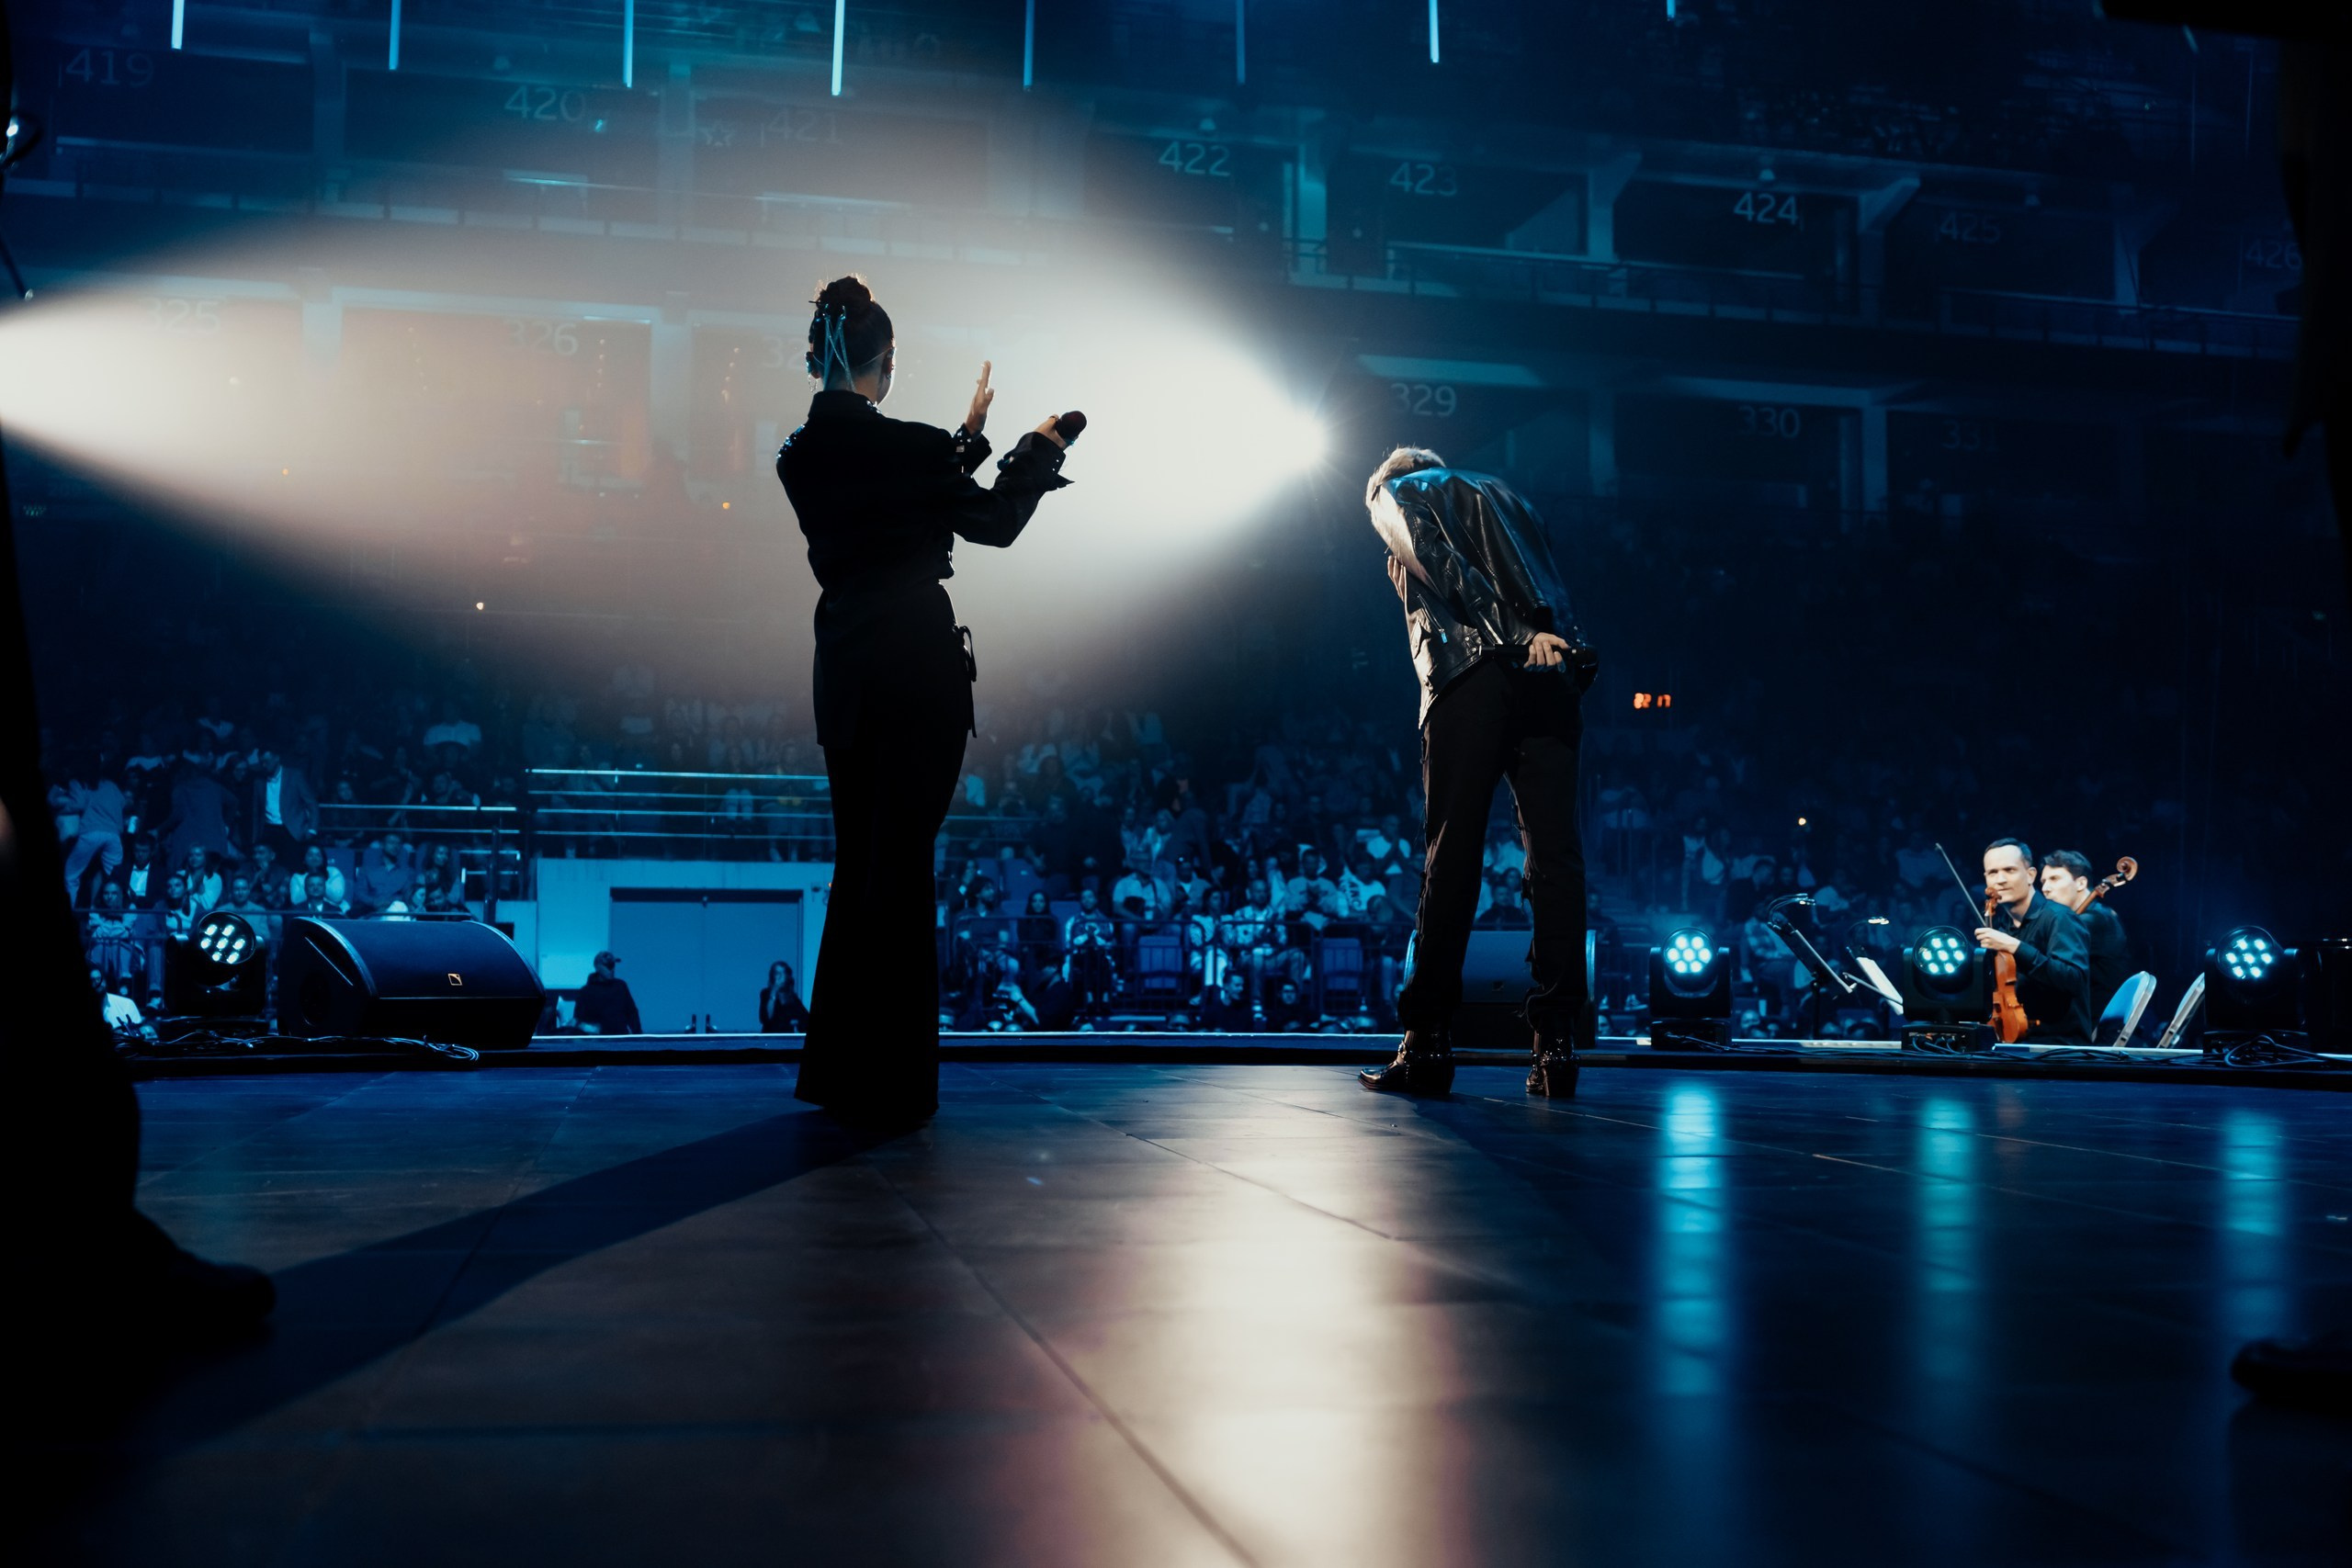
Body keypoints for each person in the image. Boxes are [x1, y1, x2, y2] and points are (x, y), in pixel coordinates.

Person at [777, 274, 1073, 1127]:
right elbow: (991, 523)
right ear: (889, 359)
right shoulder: (909, 448)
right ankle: (898, 1083)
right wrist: (1037, 448)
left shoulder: (798, 455)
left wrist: (965, 441)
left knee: (859, 867)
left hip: (845, 672)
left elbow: (895, 497)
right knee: (904, 869)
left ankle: (840, 1070)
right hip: (917, 671)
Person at [1357, 446, 1598, 1099]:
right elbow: (1549, 580)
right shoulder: (1508, 494)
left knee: (1453, 853)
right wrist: (1547, 639)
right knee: (1556, 857)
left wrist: (1510, 633)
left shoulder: (1394, 493)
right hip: (1555, 667)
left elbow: (1439, 563)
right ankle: (1557, 1043)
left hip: (1475, 669)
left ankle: (1428, 1041)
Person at [1974, 838, 2094, 1044]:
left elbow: (2072, 979)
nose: (2000, 880)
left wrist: (2016, 947)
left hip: (2058, 1049)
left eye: (2009, 870)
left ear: (2030, 875)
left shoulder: (2060, 918)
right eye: (1992, 873)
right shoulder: (2001, 928)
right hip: (2014, 1045)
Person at [2041, 850, 2133, 1023]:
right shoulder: (2080, 919)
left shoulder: (2097, 920)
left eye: (2054, 879)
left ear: (2081, 883)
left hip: (2096, 1027)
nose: (2045, 888)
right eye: (2043, 881)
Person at [249, 747, 317, 867]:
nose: (264, 765)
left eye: (267, 761)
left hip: (291, 830)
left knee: (291, 866)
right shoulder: (259, 781)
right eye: (262, 762)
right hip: (268, 829)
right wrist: (255, 837)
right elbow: (256, 811)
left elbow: (311, 803)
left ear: (277, 758)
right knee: (266, 866)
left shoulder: (294, 775)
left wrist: (312, 829)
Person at [574, 951, 643, 1036]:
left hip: (620, 1039)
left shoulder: (620, 986)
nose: (611, 969)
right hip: (597, 1041)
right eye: (608, 966)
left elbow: (632, 1012)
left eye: (612, 965)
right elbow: (578, 1019)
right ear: (597, 967)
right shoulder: (586, 992)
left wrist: (638, 1035)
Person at [760, 961, 810, 1033]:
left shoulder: (792, 997)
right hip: (770, 1038)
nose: (780, 976)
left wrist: (798, 1022)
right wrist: (774, 990)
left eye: (783, 973)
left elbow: (805, 1019)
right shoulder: (765, 993)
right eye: (777, 973)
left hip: (787, 1040)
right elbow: (766, 1018)